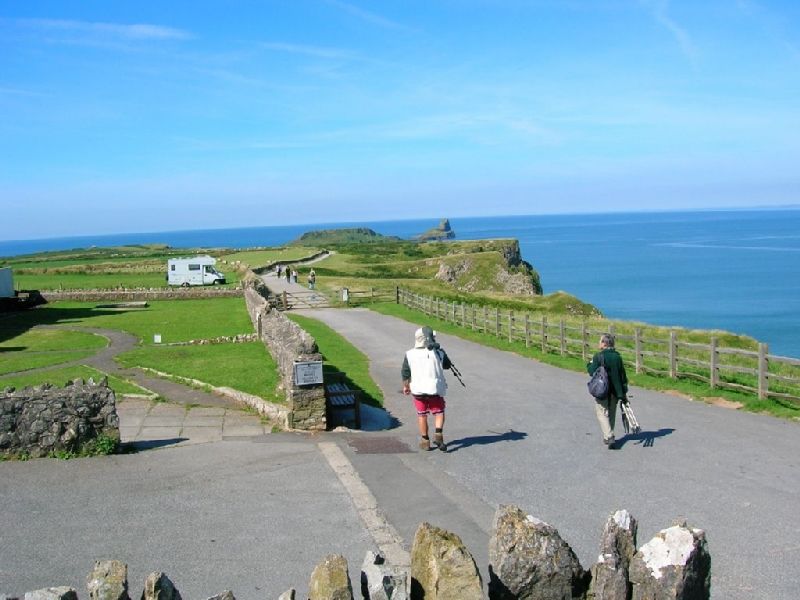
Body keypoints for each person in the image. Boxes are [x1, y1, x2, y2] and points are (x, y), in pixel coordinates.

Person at [401, 326, 453, 452]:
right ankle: (438, 434)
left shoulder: (409, 354)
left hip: (418, 389)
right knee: (439, 411)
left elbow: (405, 372)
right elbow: (447, 365)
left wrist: (406, 386)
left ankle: (425, 441)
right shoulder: (439, 352)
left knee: (422, 415)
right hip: (434, 389)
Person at [587, 333, 629, 450]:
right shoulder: (617, 357)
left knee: (601, 413)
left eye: (600, 341)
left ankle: (609, 435)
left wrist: (589, 364)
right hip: (615, 391)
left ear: (605, 343)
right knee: (611, 413)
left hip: (602, 389)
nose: (598, 343)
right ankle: (608, 436)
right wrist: (623, 392)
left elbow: (591, 371)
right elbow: (622, 377)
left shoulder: (598, 356)